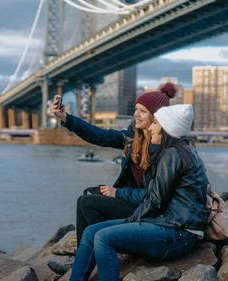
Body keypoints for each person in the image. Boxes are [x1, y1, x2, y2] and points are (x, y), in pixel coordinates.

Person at [68, 104, 209, 281]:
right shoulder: (172, 152)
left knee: (103, 238)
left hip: (178, 233)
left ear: (167, 129)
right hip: (165, 222)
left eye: (155, 124)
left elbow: (154, 200)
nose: (150, 128)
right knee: (90, 232)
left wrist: (129, 222)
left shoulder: (172, 155)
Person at [47, 84, 176, 275]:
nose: (136, 115)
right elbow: (101, 136)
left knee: (90, 204)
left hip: (153, 211)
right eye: (136, 110)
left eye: (143, 111)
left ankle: (98, 252)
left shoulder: (165, 150)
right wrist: (66, 118)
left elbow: (156, 198)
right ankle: (83, 258)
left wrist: (118, 192)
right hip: (137, 201)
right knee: (86, 198)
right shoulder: (133, 137)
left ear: (157, 117)